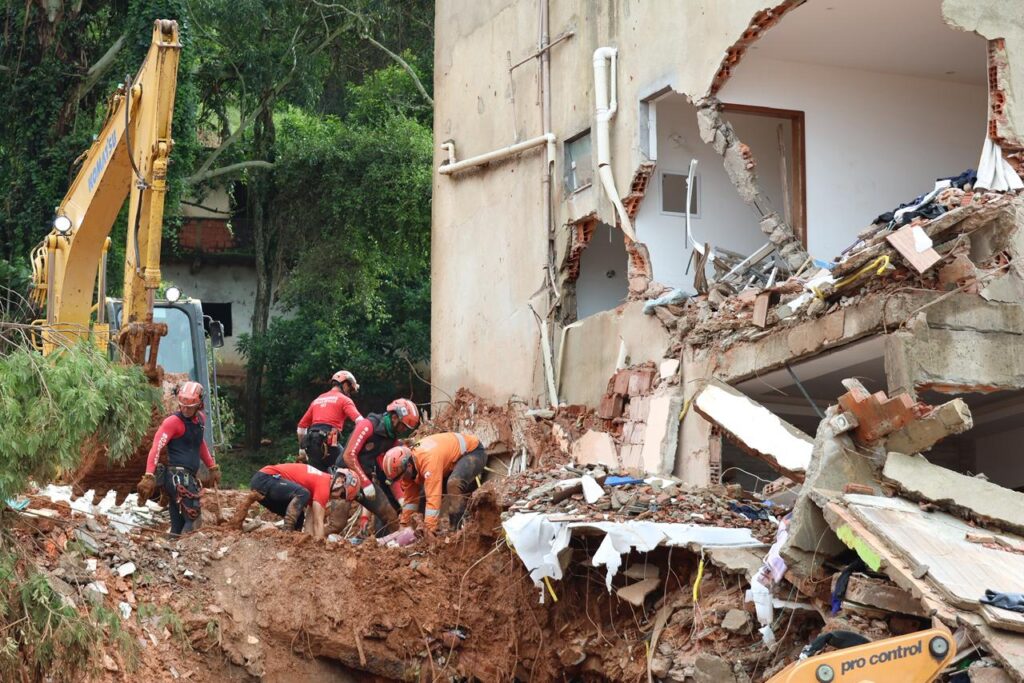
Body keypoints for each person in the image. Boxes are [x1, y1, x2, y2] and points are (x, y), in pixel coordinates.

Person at [137, 381, 220, 536]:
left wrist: (211, 466)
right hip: (178, 479)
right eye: (182, 406)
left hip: (185, 479)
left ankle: (172, 548)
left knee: (178, 525)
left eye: (190, 407)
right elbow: (156, 447)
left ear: (199, 405)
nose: (185, 410)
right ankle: (185, 550)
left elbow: (199, 443)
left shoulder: (200, 420)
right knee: (193, 520)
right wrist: (148, 475)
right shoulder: (173, 422)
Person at [382, 431, 487, 535]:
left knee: (453, 484)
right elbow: (411, 501)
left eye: (403, 476)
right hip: (449, 464)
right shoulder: (408, 469)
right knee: (422, 499)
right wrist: (404, 525)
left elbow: (433, 497)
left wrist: (429, 529)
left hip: (472, 452)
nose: (403, 479)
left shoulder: (428, 461)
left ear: (409, 466)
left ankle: (458, 528)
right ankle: (418, 533)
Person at [340, 398, 420, 533]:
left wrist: (401, 499)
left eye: (406, 429)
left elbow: (391, 473)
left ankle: (394, 544)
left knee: (390, 516)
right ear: (394, 417)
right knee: (337, 523)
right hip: (344, 477)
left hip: (364, 479)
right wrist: (366, 483)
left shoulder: (391, 440)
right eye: (403, 426)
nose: (403, 430)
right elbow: (348, 455)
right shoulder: (367, 425)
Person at [248, 463, 359, 540]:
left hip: (267, 488)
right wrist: (322, 549)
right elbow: (318, 522)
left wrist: (310, 546)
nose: (339, 498)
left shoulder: (318, 490)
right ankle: (286, 535)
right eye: (342, 494)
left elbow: (310, 525)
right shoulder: (324, 485)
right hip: (265, 479)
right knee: (303, 494)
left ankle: (291, 541)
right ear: (339, 481)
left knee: (299, 517)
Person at [296, 370, 362, 472]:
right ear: (345, 384)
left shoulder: (317, 400)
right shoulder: (344, 400)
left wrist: (301, 450)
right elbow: (360, 422)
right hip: (329, 443)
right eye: (350, 389)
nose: (349, 393)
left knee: (320, 477)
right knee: (351, 469)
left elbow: (301, 428)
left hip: (311, 444)